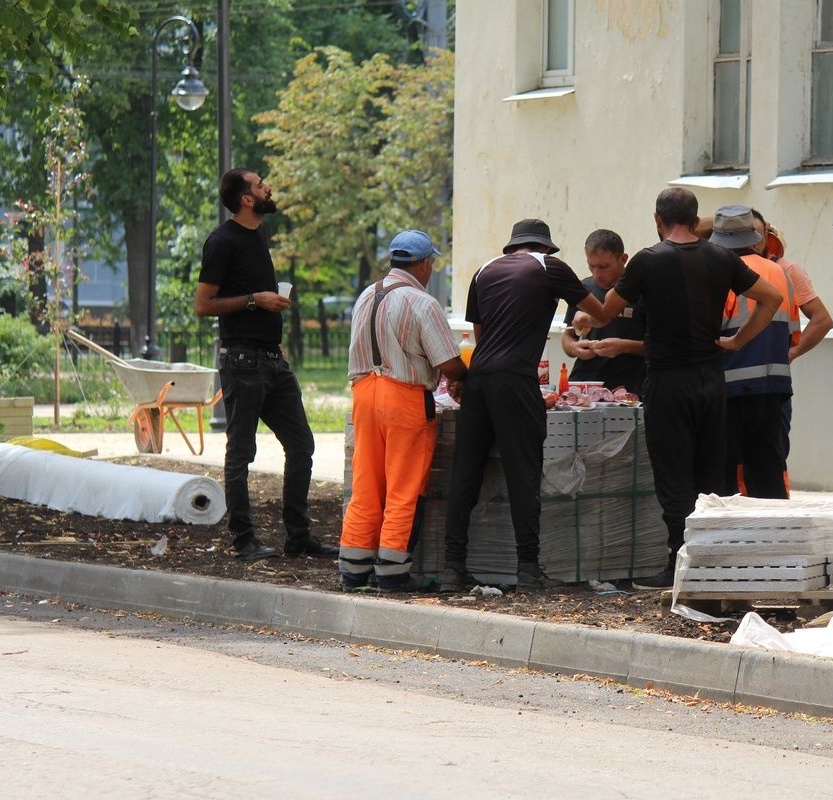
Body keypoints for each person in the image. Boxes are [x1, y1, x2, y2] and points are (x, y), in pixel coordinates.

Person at [577, 188, 783, 589]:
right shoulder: (721, 257)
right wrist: (739, 340)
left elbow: (604, 312)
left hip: (668, 380)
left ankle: (679, 561)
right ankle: (713, 561)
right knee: (711, 470)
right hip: (711, 377)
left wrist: (583, 314)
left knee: (673, 474)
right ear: (694, 219)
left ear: (658, 220)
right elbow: (771, 298)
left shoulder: (647, 261)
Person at [442, 219, 611, 593]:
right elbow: (600, 314)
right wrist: (585, 313)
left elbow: (482, 337)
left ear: (512, 246)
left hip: (479, 379)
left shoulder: (483, 271)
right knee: (524, 471)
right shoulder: (549, 267)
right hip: (515, 379)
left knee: (466, 471)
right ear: (546, 248)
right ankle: (529, 570)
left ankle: (452, 566)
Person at [195, 168, 339, 562]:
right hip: (242, 361)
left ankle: (298, 536)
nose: (267, 188)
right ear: (246, 198)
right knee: (241, 451)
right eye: (260, 185)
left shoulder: (258, 234)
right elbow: (203, 305)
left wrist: (273, 334)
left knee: (302, 444)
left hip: (272, 359)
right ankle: (243, 540)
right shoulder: (221, 241)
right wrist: (256, 300)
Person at [340, 230, 468, 592]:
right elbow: (448, 362)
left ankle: (353, 569)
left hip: (364, 394)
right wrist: (465, 377)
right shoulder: (421, 303)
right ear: (424, 264)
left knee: (366, 484)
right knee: (404, 487)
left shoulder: (367, 295)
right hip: (405, 398)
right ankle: (392, 574)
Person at [709, 205, 796, 499]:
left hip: (731, 383)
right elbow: (792, 331)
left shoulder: (722, 270)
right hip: (774, 385)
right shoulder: (779, 271)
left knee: (724, 475)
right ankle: (776, 534)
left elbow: (714, 327)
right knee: (767, 468)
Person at [750, 209, 833, 492]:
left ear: (768, 237)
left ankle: (773, 522)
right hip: (731, 383)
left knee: (771, 458)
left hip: (772, 384)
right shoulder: (723, 266)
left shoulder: (785, 270)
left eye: (757, 233)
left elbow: (822, 320)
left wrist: (792, 353)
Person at [559, 230, 646, 397]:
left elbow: (657, 346)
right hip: (585, 386)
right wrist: (574, 348)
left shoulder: (643, 292)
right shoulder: (584, 289)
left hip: (630, 388)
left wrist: (623, 346)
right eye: (591, 266)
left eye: (604, 267)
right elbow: (568, 336)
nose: (597, 274)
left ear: (623, 259)